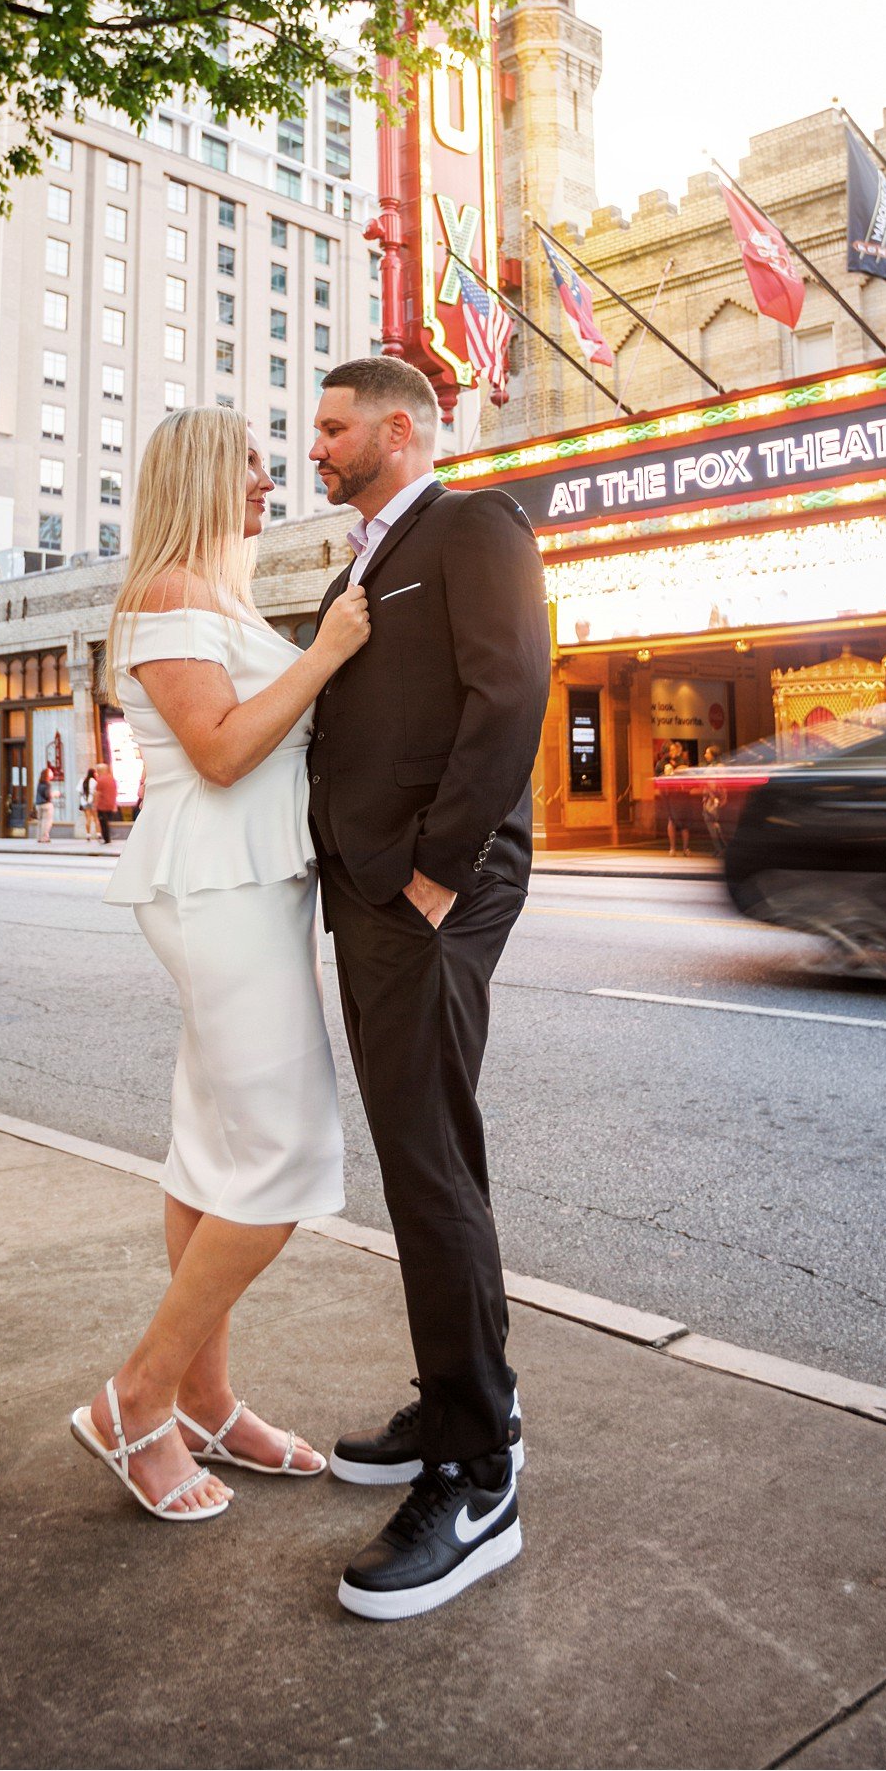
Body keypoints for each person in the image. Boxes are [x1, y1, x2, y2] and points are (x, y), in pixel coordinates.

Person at [71, 406, 370, 1523]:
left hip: (248, 891)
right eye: (247, 463)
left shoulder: (212, 598)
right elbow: (223, 749)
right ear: (200, 475)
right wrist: (332, 648)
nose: (266, 479)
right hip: (217, 891)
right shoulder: (166, 599)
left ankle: (206, 1403)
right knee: (283, 1159)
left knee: (210, 1155)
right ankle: (134, 1403)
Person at [308, 357, 551, 1621]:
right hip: (368, 891)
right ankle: (462, 1396)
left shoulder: (473, 525)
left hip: (428, 891)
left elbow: (509, 693)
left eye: (334, 428)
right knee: (419, 1152)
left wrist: (436, 877)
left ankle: (478, 1470)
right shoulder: (358, 555)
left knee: (429, 1159)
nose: (317, 448)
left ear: (399, 431)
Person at [92, 761, 118, 847]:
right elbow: (115, 792)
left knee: (103, 822)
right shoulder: (112, 779)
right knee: (107, 821)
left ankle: (107, 839)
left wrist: (94, 805)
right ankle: (108, 837)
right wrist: (114, 804)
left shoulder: (100, 780)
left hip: (102, 805)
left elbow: (97, 794)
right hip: (111, 804)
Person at [78, 767, 99, 844]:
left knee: (88, 818)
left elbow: (79, 792)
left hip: (84, 802)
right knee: (96, 818)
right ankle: (98, 834)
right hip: (92, 801)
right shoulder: (93, 781)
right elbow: (96, 792)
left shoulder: (82, 780)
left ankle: (88, 835)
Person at [34, 769, 54, 846]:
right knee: (47, 822)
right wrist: (54, 794)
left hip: (38, 804)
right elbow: (47, 795)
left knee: (40, 821)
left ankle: (39, 837)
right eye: (50, 773)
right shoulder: (47, 784)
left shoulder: (39, 783)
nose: (52, 774)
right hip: (46, 804)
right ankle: (44, 837)